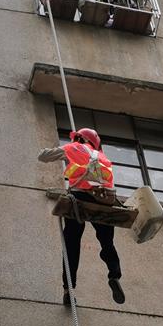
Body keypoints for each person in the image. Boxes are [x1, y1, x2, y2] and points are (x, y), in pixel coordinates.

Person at [38, 127, 124, 306]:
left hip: (80, 197)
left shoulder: (74, 147)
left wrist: (59, 149)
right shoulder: (104, 158)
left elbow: (44, 156)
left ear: (79, 138)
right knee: (106, 241)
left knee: (72, 241)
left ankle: (68, 287)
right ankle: (114, 274)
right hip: (105, 200)